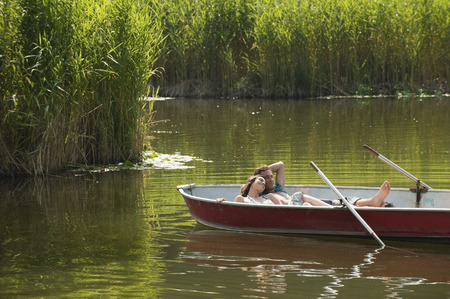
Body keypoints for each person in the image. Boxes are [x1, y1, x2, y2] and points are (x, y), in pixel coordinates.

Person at [253, 161, 391, 207]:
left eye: (271, 176)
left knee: (341, 201)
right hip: (300, 206)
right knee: (302, 197)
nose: (270, 179)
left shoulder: (278, 187)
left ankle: (372, 202)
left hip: (311, 203)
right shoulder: (265, 194)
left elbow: (281, 165)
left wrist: (265, 171)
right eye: (266, 179)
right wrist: (258, 178)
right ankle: (370, 206)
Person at [216, 175, 282, 205]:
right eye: (261, 180)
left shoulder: (270, 197)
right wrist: (224, 203)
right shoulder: (241, 199)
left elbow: (283, 211)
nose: (263, 183)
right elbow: (234, 215)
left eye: (264, 184)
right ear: (251, 182)